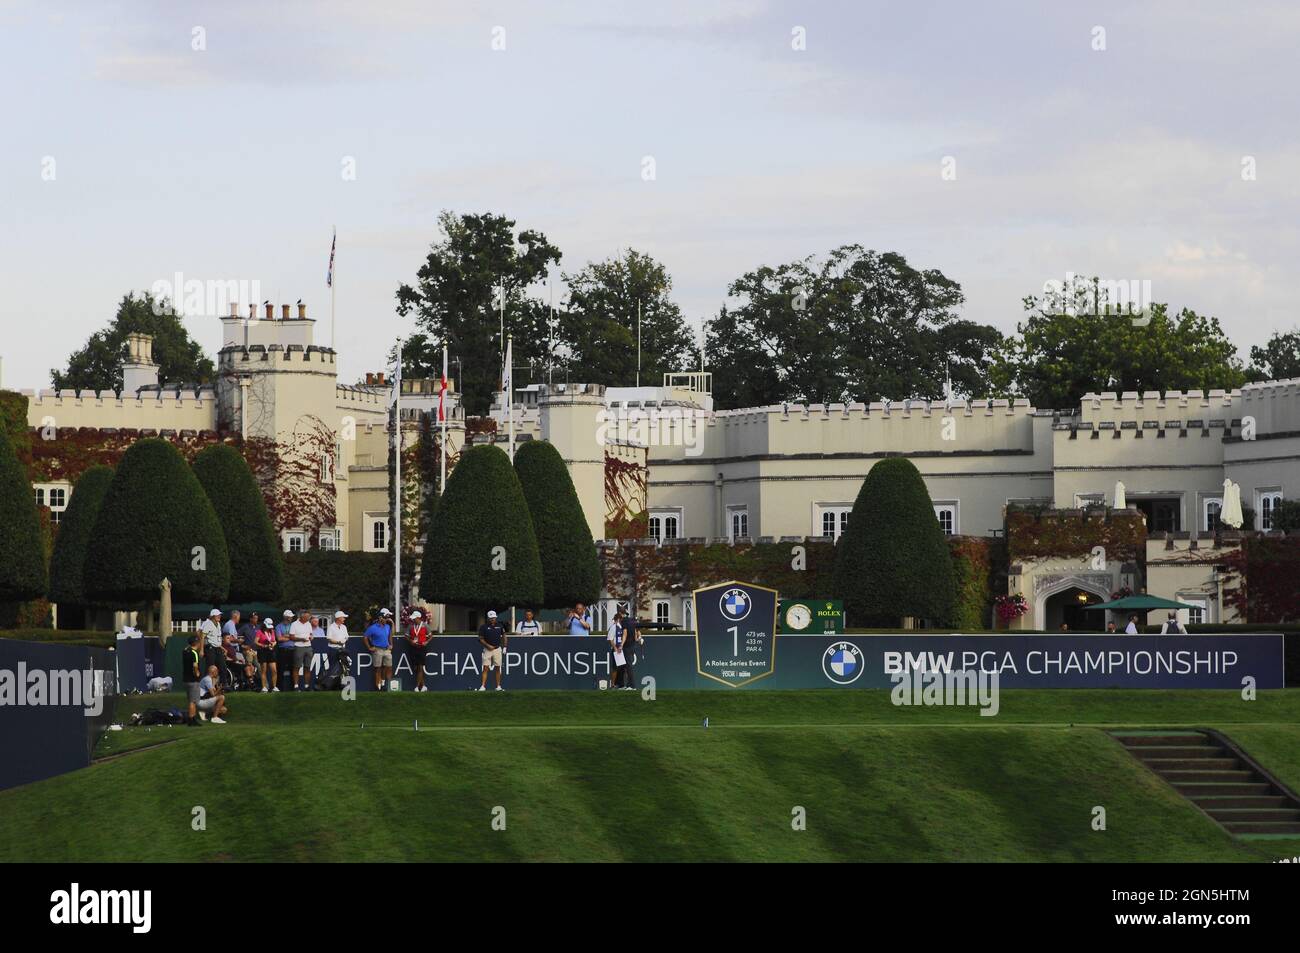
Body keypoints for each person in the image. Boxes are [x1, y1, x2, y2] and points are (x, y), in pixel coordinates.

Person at [364, 609, 394, 691]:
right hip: (377, 650)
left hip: (387, 649)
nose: (386, 620)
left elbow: (390, 636)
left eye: (387, 618)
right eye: (385, 618)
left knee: (388, 667)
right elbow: (365, 637)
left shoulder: (388, 626)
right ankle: (378, 686)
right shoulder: (373, 628)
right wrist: (369, 647)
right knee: (378, 668)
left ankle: (384, 683)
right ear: (380, 618)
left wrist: (391, 644)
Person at [476, 610, 506, 691]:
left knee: (497, 667)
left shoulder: (500, 626)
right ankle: (482, 686)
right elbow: (480, 639)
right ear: (488, 618)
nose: (493, 619)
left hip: (497, 649)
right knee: (485, 667)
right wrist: (488, 645)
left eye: (494, 617)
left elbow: (504, 636)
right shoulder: (483, 627)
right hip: (487, 649)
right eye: (491, 618)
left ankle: (498, 686)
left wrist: (505, 647)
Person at [289, 609, 315, 691]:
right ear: (302, 616)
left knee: (307, 667)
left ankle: (306, 686)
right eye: (307, 617)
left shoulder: (308, 624)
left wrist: (311, 637)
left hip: (308, 647)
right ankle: (296, 686)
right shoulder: (294, 624)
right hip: (298, 647)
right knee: (297, 667)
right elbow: (291, 637)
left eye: (309, 617)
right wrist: (301, 639)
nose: (308, 618)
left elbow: (311, 634)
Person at [408, 610, 431, 692]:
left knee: (420, 667)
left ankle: (417, 687)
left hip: (422, 648)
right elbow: (406, 636)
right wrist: (411, 641)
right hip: (413, 648)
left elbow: (431, 636)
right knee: (416, 668)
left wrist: (426, 642)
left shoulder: (425, 625)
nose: (413, 620)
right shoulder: (411, 626)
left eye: (414, 618)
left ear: (418, 618)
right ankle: (424, 686)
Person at [182, 635, 203, 724]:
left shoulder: (185, 651)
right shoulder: (194, 653)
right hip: (193, 679)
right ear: (196, 643)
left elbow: (186, 648)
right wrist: (197, 673)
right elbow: (195, 666)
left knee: (191, 700)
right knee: (193, 701)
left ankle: (192, 718)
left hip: (186, 679)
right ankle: (192, 719)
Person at [256, 617, 279, 692]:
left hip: (271, 651)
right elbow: (255, 642)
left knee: (274, 670)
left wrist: (273, 644)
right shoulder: (259, 632)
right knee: (264, 670)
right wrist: (262, 645)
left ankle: (274, 687)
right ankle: (264, 687)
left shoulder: (272, 631)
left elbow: (274, 641)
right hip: (262, 651)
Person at [275, 610, 295, 690]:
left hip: (292, 650)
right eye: (290, 617)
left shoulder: (293, 626)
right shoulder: (279, 626)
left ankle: (293, 687)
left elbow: (295, 637)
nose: (291, 618)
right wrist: (290, 637)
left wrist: (286, 636)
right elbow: (279, 639)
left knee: (292, 669)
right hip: (282, 650)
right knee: (281, 669)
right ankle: (280, 687)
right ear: (286, 617)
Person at [606, 610, 627, 689]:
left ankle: (622, 684)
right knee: (615, 668)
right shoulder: (613, 627)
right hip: (616, 650)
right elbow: (610, 639)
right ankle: (612, 684)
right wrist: (615, 648)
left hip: (622, 649)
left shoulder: (623, 627)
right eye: (620, 619)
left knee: (623, 668)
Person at [621, 612, 641, 690]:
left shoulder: (624, 621)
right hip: (633, 646)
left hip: (627, 646)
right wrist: (639, 639)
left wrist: (621, 645)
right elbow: (638, 633)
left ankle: (632, 686)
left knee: (628, 666)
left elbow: (624, 634)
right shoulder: (633, 621)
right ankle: (629, 685)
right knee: (628, 666)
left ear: (621, 614)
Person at [326, 610, 350, 678]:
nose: (344, 619)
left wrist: (344, 640)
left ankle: (341, 683)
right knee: (333, 667)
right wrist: (339, 642)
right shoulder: (331, 627)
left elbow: (347, 637)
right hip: (333, 649)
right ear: (338, 618)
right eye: (343, 617)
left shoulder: (344, 627)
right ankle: (331, 683)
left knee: (344, 667)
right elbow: (329, 639)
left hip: (342, 650)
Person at [200, 608, 224, 673]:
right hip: (210, 648)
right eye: (217, 615)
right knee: (210, 667)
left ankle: (223, 682)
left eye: (220, 615)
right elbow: (202, 636)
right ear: (213, 616)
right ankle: (207, 682)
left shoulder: (218, 624)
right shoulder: (208, 623)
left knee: (222, 666)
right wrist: (202, 650)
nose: (219, 616)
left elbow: (217, 638)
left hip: (218, 648)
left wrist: (222, 648)